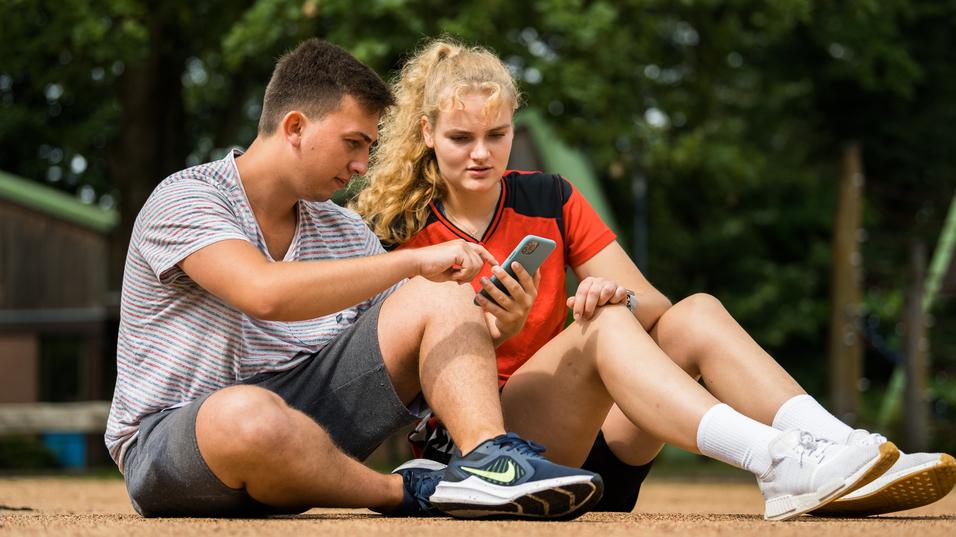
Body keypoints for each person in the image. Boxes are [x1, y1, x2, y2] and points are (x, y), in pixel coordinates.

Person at [352, 38, 955, 520]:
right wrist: (491, 329)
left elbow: (655, 308)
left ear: (514, 127)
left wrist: (610, 295)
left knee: (693, 310)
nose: (481, 153)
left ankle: (848, 449)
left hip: (596, 445)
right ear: (427, 133)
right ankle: (777, 461)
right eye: (461, 138)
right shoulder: (394, 227)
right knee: (599, 330)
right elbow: (390, 371)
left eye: (497, 135)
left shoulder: (548, 196)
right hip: (492, 460)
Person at [104, 38, 605, 521]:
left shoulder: (342, 228)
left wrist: (501, 328)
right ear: (295, 126)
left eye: (368, 147)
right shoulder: (187, 198)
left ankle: (489, 463)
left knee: (440, 295)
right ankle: (410, 490)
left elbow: (423, 336)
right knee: (247, 415)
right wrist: (409, 262)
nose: (362, 165)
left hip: (311, 431)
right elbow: (264, 293)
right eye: (353, 143)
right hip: (179, 442)